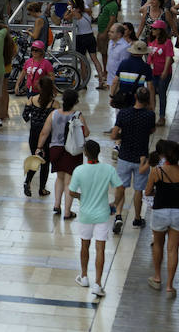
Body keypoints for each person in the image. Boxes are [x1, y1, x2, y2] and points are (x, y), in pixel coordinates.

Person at [69, 140, 124, 298]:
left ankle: (84, 276)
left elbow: (71, 192)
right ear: (98, 152)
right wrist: (115, 203)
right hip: (102, 214)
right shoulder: (108, 169)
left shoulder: (79, 170)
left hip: (86, 214)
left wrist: (81, 197)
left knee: (84, 245)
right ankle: (98, 284)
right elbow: (120, 188)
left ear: (85, 153)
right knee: (100, 248)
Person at [145, 140, 179, 297]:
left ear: (162, 155)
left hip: (160, 212)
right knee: (173, 249)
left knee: (158, 244)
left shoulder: (156, 172)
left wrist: (156, 193)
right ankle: (170, 287)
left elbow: (147, 191)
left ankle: (157, 278)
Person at [37, 89, 90, 220]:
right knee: (69, 183)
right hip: (72, 151)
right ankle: (67, 211)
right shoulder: (78, 115)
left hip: (55, 149)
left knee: (60, 178)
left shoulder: (54, 114)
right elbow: (86, 133)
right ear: (75, 102)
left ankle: (56, 204)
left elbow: (44, 132)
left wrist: (38, 148)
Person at [110, 87, 154, 233]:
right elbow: (152, 130)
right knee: (138, 190)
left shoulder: (124, 113)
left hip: (125, 156)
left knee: (121, 187)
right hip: (141, 158)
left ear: (135, 96)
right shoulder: (150, 115)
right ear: (147, 99)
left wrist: (123, 136)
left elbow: (113, 135)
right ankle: (136, 218)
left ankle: (118, 215)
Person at [23, 76, 58, 198]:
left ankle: (27, 181)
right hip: (47, 135)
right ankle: (42, 189)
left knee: (35, 158)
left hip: (34, 134)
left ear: (39, 87)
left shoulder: (32, 99)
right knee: (45, 163)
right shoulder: (54, 104)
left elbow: (25, 116)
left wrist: (34, 119)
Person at [146, 21, 174, 126]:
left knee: (162, 93)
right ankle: (151, 114)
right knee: (151, 94)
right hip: (152, 72)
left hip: (163, 73)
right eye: (152, 28)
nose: (152, 30)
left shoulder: (167, 42)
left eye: (155, 29)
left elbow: (168, 57)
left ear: (160, 31)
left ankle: (162, 116)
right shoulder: (151, 41)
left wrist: (165, 71)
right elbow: (149, 56)